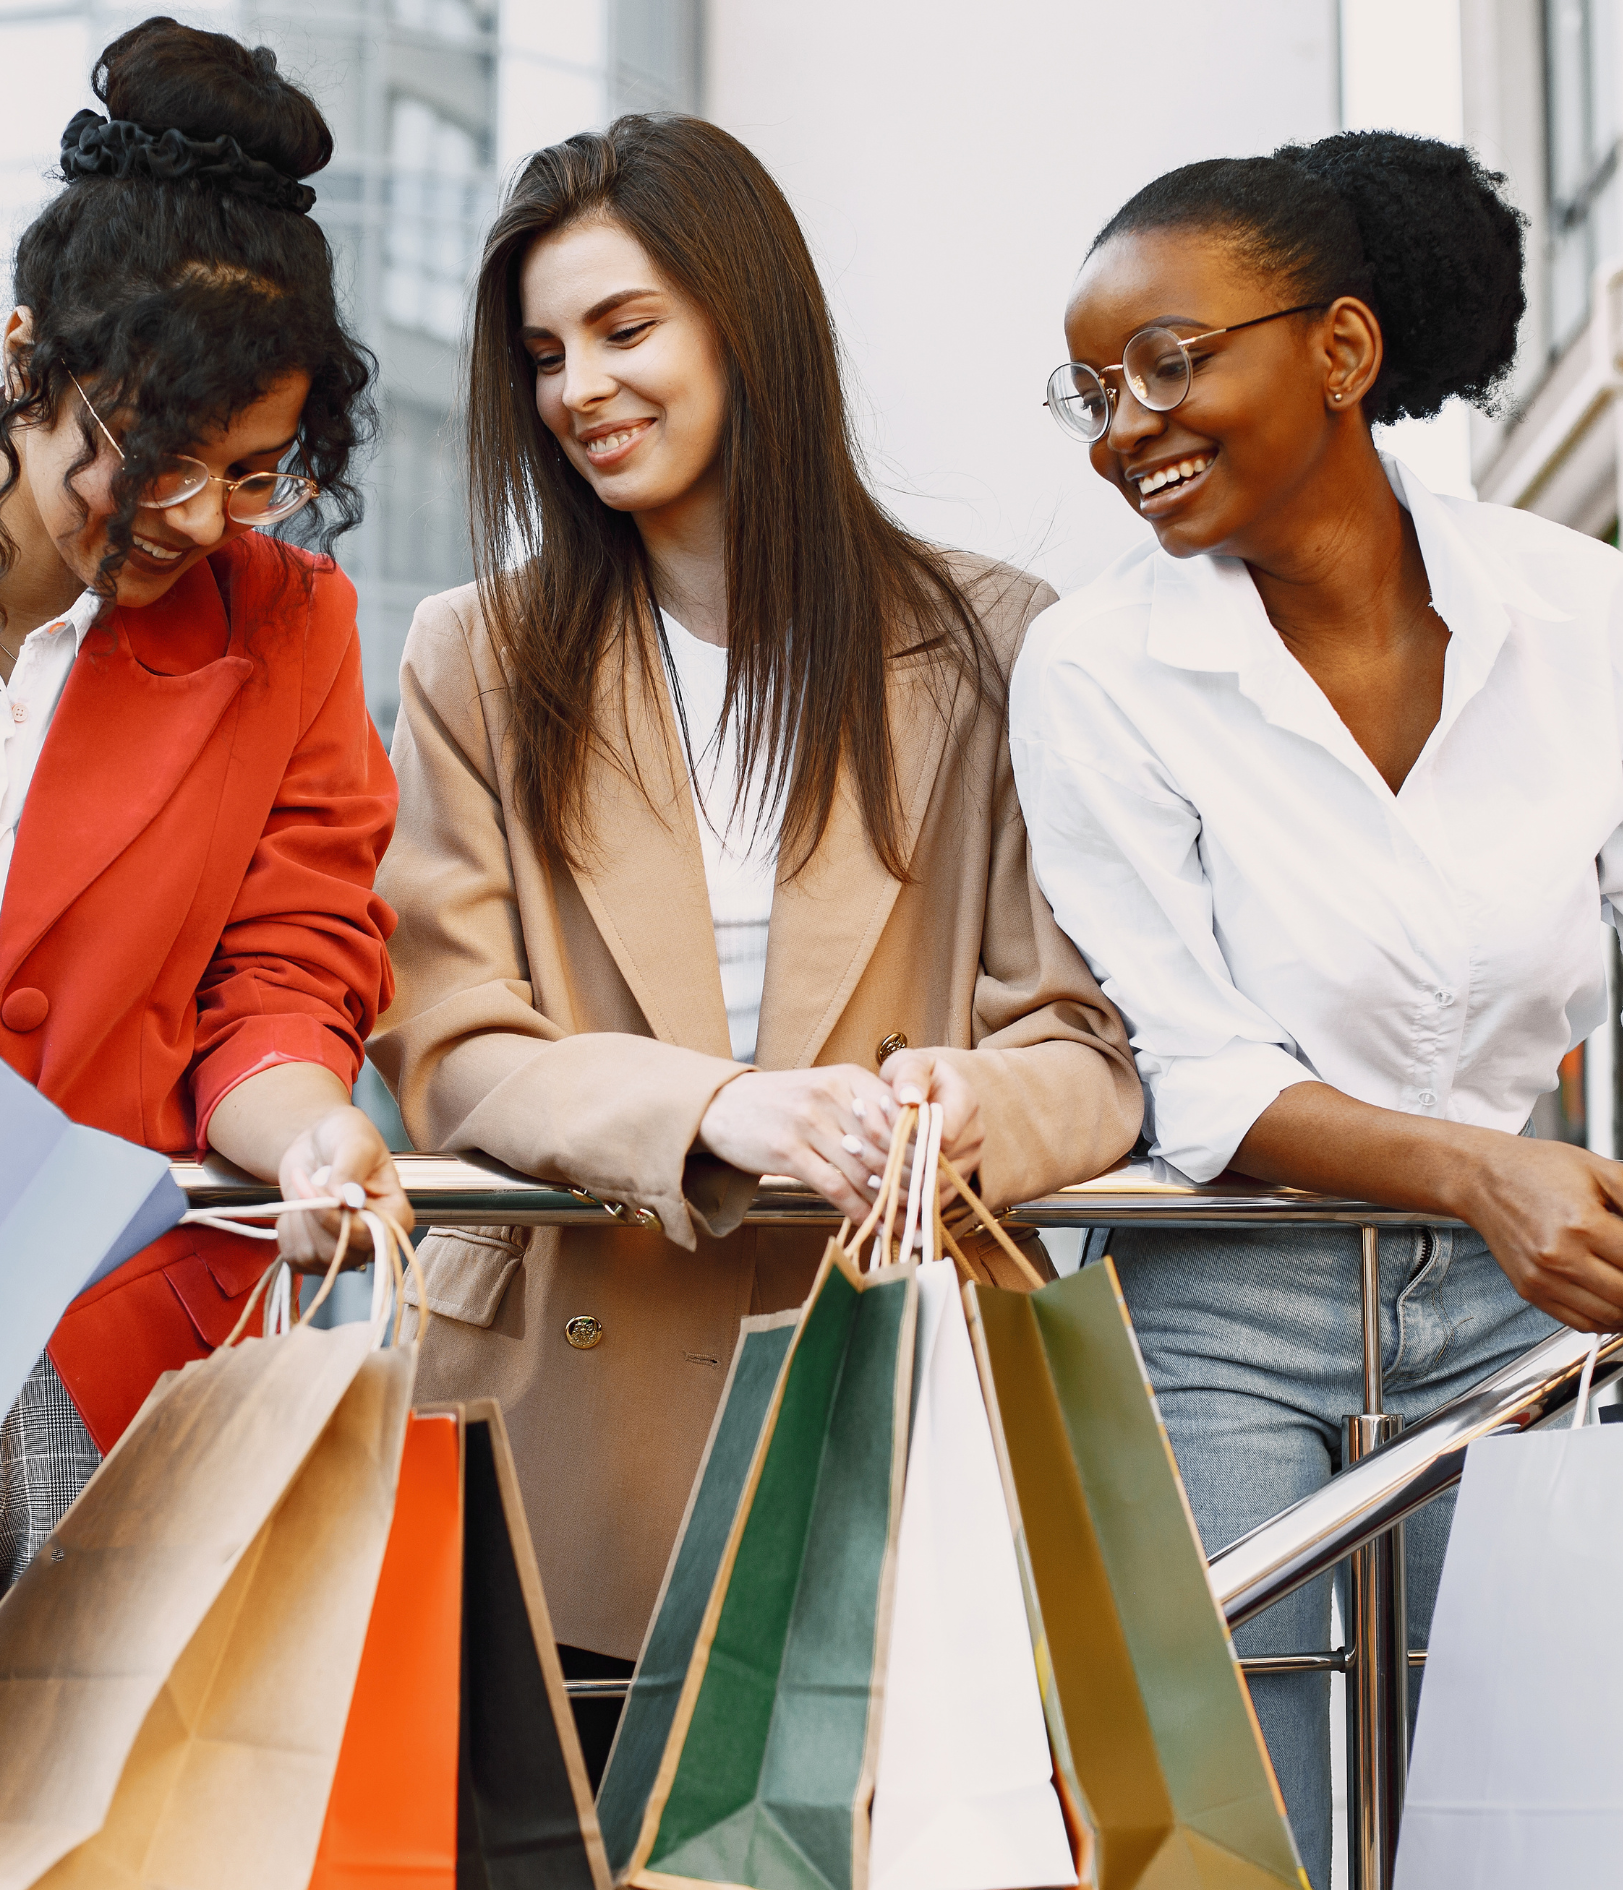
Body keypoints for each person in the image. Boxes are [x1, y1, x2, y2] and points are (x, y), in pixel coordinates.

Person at [370, 112, 1141, 1756]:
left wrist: (959, 1106)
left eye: (626, 328)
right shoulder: (478, 657)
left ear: (748, 320)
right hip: (561, 1434)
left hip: (888, 1399)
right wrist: (716, 1110)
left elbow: (1082, 1038)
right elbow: (445, 1043)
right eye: (542, 352)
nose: (578, 388)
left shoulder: (991, 639)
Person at [0, 16, 410, 1863]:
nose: (197, 518)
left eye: (256, 469)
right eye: (152, 454)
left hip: (134, 1367)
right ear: (26, 360)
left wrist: (314, 1132)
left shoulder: (292, 633)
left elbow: (283, 978)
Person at [1011, 130, 1623, 1887]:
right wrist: (1480, 1172)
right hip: (1216, 1305)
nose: (1124, 425)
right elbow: (1187, 1063)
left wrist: (1532, 1194)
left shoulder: (1581, 616)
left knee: (1524, 1818)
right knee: (1228, 1847)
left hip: (1527, 1307)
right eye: (1090, 391)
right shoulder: (1098, 668)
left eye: (1165, 362)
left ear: (1340, 352)